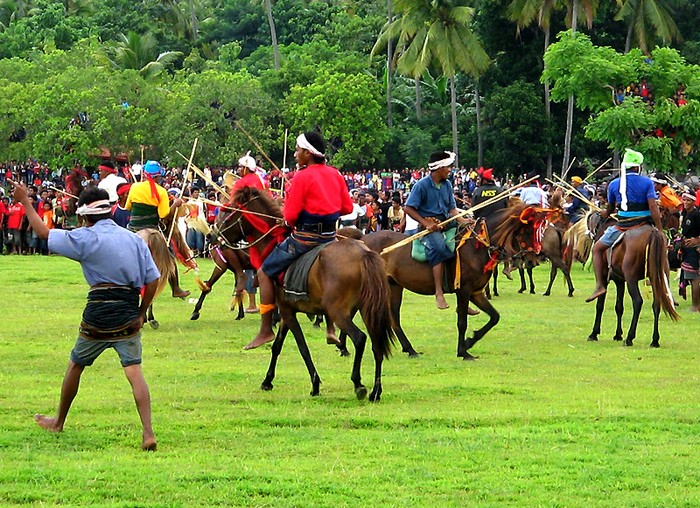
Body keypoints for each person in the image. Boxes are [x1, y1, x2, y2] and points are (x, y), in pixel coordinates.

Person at [10, 181, 160, 451]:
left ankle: (58, 422)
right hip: (128, 310)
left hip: (98, 312)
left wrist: (26, 201)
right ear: (110, 211)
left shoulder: (84, 238)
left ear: (86, 217)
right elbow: (153, 280)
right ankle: (148, 433)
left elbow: (43, 232)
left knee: (76, 365)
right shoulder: (134, 240)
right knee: (134, 371)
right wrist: (141, 312)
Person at [245, 131, 353, 350]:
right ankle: (330, 327)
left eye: (297, 150)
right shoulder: (335, 174)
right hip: (330, 237)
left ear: (307, 153)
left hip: (305, 239)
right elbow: (347, 208)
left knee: (264, 272)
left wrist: (288, 217)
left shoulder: (301, 177)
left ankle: (265, 330)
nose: (295, 154)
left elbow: (291, 217)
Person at [586, 149, 663, 302]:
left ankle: (600, 285)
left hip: (622, 226)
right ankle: (664, 286)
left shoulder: (614, 184)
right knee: (662, 249)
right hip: (644, 224)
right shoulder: (647, 182)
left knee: (597, 249)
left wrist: (604, 213)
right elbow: (653, 207)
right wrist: (659, 229)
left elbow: (610, 208)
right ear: (637, 167)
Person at [405, 151, 469, 310]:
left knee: (466, 240)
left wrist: (463, 221)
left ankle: (463, 293)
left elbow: (452, 208)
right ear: (440, 168)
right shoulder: (421, 185)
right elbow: (408, 208)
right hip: (429, 227)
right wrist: (425, 223)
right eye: (448, 167)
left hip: (447, 222)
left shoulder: (447, 185)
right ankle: (439, 292)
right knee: (439, 248)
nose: (450, 170)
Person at [125, 160, 190, 299]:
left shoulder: (134, 187)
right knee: (170, 256)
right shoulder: (161, 191)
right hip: (152, 229)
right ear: (158, 176)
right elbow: (163, 214)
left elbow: (128, 207)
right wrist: (176, 204)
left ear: (145, 174)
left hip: (133, 229)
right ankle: (176, 288)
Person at [678, 192, 700, 312]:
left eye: (688, 200)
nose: (685, 202)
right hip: (686, 248)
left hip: (694, 249)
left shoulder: (697, 214)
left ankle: (696, 306)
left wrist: (697, 240)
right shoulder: (685, 213)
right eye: (684, 200)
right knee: (691, 276)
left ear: (693, 201)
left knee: (693, 277)